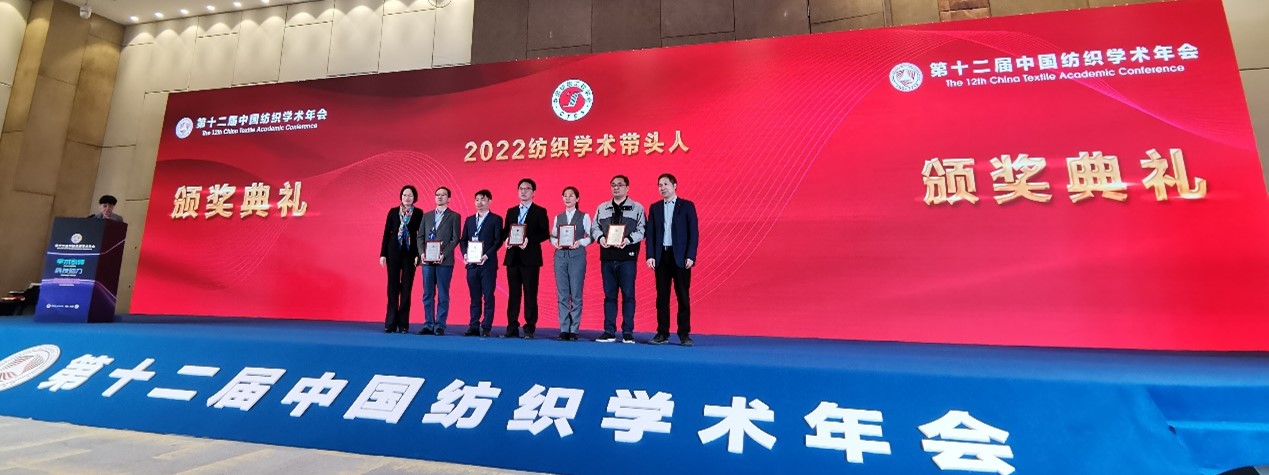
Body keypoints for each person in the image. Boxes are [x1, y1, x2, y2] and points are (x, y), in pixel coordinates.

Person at [645, 173, 700, 346]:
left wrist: (690, 255)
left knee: (683, 296)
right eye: (659, 185)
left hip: (681, 257)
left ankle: (684, 334)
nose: (662, 188)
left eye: (665, 184)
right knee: (662, 297)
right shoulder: (655, 208)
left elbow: (693, 233)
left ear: (675, 185)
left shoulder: (687, 206)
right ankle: (662, 333)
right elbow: (650, 233)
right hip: (661, 256)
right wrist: (650, 255)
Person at [592, 174, 645, 344]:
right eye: (613, 185)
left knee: (628, 295)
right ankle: (609, 331)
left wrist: (628, 240)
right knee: (609, 296)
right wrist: (600, 238)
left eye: (620, 185)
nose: (616, 188)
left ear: (627, 188)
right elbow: (594, 227)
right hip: (607, 257)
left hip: (627, 258)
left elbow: (642, 230)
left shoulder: (637, 208)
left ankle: (628, 332)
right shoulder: (602, 208)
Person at [501, 178, 550, 339]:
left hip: (530, 259)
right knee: (513, 294)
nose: (523, 191)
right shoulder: (511, 211)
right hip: (513, 258)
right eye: (521, 188)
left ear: (533, 192)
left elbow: (544, 233)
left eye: (527, 189)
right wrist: (506, 239)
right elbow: (505, 231)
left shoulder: (539, 211)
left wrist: (529, 240)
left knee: (530, 293)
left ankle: (529, 327)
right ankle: (512, 326)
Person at [418, 186, 461, 335]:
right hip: (427, 261)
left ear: (449, 199)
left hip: (444, 261)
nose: (440, 197)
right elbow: (420, 236)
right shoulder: (427, 216)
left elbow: (455, 238)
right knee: (427, 294)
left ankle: (440, 325)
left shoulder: (454, 216)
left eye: (443, 195)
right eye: (437, 194)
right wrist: (421, 253)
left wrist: (444, 253)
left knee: (443, 293)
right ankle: (428, 324)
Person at [550, 186, 592, 341]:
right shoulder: (558, 217)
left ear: (577, 198)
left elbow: (592, 236)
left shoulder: (584, 216)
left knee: (576, 294)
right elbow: (552, 236)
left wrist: (580, 242)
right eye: (565, 195)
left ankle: (574, 329)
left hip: (577, 256)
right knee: (562, 294)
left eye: (571, 195)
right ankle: (564, 329)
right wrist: (555, 243)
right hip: (560, 256)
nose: (567, 198)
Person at [380, 185, 422, 333]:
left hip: (410, 254)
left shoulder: (419, 213)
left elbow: (420, 235)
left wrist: (418, 254)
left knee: (406, 288)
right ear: (401, 197)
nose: (407, 198)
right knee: (392, 287)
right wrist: (383, 254)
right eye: (404, 195)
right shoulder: (393, 212)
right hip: (393, 252)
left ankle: (403, 323)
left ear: (414, 198)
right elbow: (387, 233)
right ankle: (390, 322)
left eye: (410, 195)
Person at [460, 189, 503, 337]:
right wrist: (465, 254)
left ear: (489, 201)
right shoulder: (469, 220)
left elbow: (497, 241)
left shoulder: (496, 219)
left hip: (487, 264)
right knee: (474, 297)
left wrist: (486, 255)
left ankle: (486, 327)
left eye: (483, 199)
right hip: (472, 264)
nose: (479, 202)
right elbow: (463, 240)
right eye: (477, 199)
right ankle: (473, 326)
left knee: (488, 296)